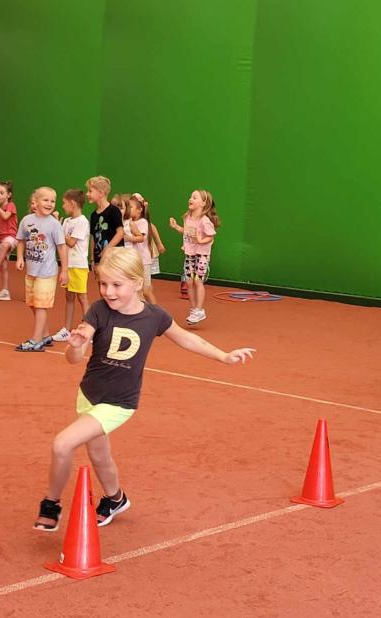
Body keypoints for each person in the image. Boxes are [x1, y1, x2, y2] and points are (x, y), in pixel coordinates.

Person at [33, 247, 255, 531]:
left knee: (62, 444)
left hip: (118, 403)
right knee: (99, 456)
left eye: (117, 285)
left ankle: (51, 504)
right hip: (89, 395)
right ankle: (115, 499)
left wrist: (223, 356)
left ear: (138, 283)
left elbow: (186, 338)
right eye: (103, 284)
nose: (108, 292)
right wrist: (76, 347)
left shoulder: (154, 316)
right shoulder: (98, 310)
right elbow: (73, 358)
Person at [15, 187, 67, 352]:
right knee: (32, 304)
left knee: (40, 306)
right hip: (31, 271)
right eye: (45, 200)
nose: (49, 204)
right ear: (35, 202)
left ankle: (36, 340)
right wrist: (20, 258)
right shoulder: (26, 220)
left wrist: (64, 270)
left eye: (52, 201)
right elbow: (21, 240)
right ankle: (45, 335)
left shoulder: (54, 224)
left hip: (47, 273)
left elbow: (62, 247)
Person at [169, 190, 219, 325]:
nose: (190, 199)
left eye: (194, 197)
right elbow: (187, 232)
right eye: (190, 197)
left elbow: (210, 236)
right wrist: (176, 227)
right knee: (189, 282)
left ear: (203, 203)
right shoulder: (188, 217)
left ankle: (199, 310)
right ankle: (193, 310)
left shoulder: (205, 220)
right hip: (189, 253)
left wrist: (200, 241)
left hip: (202, 254)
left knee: (197, 281)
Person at [52, 189, 90, 342]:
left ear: (73, 204)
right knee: (69, 297)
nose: (62, 206)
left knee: (82, 297)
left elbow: (71, 242)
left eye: (64, 203)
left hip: (78, 266)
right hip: (68, 265)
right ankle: (66, 330)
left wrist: (57, 225)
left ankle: (89, 329)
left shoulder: (82, 221)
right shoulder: (67, 221)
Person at [123, 193, 156, 303]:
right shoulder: (128, 222)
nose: (128, 209)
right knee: (137, 291)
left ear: (139, 210)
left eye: (131, 207)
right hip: (134, 261)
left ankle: (155, 310)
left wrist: (126, 237)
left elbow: (140, 238)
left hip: (144, 261)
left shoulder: (143, 222)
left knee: (146, 291)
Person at [87, 176, 123, 272]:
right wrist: (92, 259)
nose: (87, 194)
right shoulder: (93, 215)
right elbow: (93, 237)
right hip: (99, 259)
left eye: (90, 191)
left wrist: (107, 249)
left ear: (101, 193)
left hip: (114, 259)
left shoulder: (114, 211)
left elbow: (120, 233)